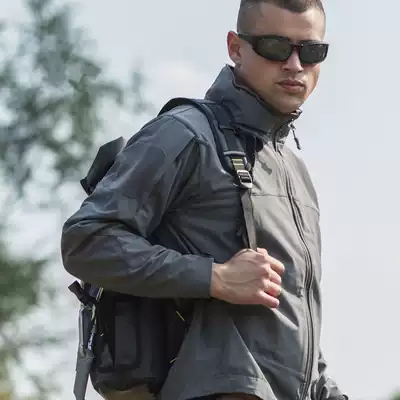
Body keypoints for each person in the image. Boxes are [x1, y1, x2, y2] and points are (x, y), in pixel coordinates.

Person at [61, 0, 349, 399]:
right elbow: (85, 240)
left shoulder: (293, 170)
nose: (295, 65)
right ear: (235, 48)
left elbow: (294, 320)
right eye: (276, 47)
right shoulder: (185, 134)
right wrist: (214, 278)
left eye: (311, 51)